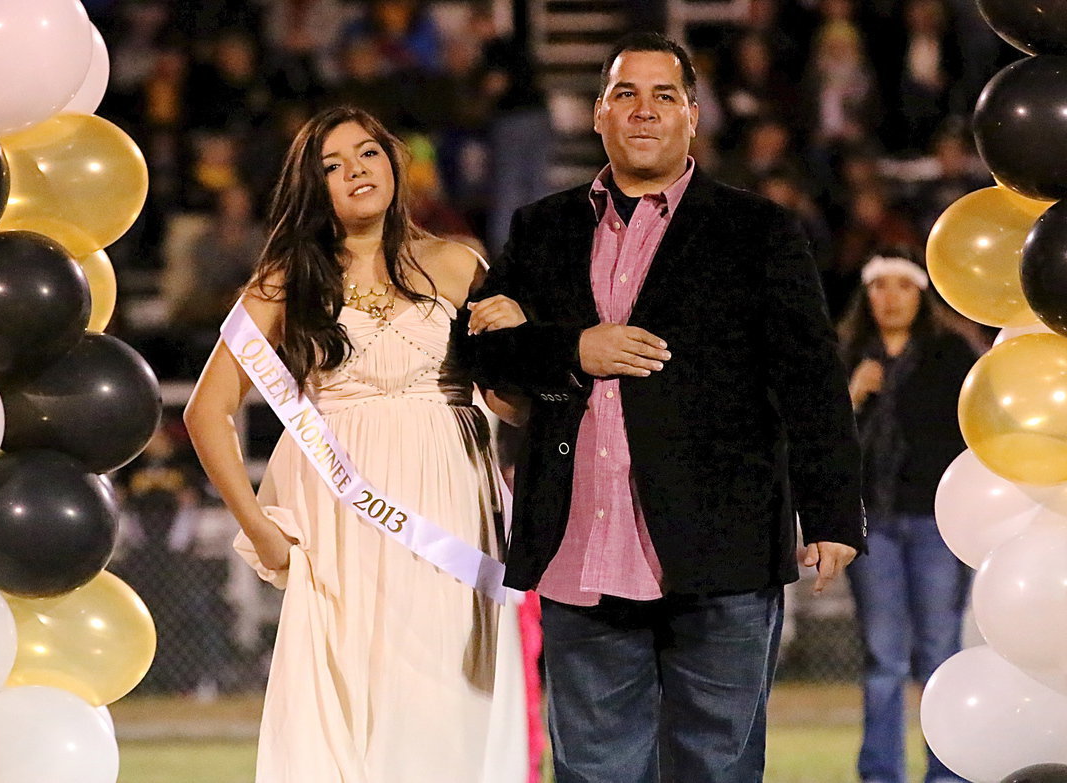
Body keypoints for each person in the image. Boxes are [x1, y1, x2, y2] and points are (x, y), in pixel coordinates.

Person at [466, 32, 866, 783]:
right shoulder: (539, 228)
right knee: (593, 771)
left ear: (692, 116)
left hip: (724, 550)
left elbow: (811, 378)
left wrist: (835, 514)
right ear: (597, 115)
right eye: (625, 93)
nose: (643, 110)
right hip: (579, 546)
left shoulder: (761, 231)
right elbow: (486, 354)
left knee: (716, 767)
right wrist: (572, 351)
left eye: (663, 95)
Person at [183, 105, 527, 783]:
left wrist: (518, 325)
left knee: (445, 704)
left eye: (367, 153)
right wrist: (258, 524)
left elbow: (512, 402)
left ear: (394, 160)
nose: (355, 172)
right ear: (316, 188)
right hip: (341, 523)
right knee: (346, 706)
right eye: (332, 166)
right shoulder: (289, 278)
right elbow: (207, 409)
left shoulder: (458, 263)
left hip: (450, 507)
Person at [838, 249, 975, 783]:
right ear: (866, 295)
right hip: (872, 524)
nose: (889, 297)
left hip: (934, 523)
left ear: (921, 293)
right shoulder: (846, 353)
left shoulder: (950, 354)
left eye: (901, 285)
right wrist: (852, 394)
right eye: (879, 286)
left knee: (939, 652)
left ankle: (946, 771)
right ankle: (881, 773)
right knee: (883, 659)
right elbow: (820, 444)